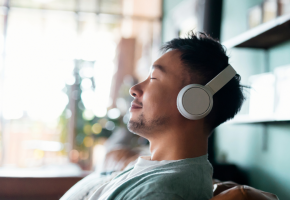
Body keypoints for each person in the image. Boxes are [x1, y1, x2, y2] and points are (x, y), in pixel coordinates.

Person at [61, 32, 245, 200]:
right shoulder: (149, 168)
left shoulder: (161, 192)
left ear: (194, 101)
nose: (134, 89)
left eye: (154, 78)